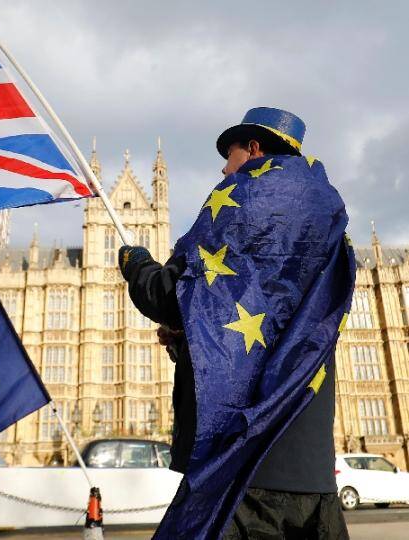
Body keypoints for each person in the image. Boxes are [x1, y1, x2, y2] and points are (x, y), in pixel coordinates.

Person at [118, 107, 349, 538]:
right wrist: (192, 340)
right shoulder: (326, 218)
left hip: (245, 468)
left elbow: (170, 295)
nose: (225, 168)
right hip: (311, 471)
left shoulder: (247, 206)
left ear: (255, 149)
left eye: (230, 154)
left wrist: (137, 265)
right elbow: (267, 326)